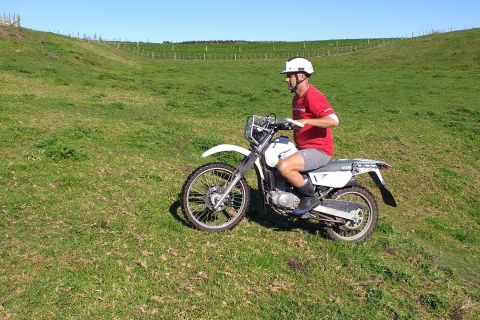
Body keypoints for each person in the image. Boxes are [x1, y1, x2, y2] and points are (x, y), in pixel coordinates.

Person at [277, 57, 339, 215]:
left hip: (319, 150)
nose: (286, 79)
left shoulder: (312, 96)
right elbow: (300, 123)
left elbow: (333, 120)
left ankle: (310, 196)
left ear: (301, 76)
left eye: (290, 75)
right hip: (303, 147)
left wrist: (306, 121)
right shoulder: (296, 99)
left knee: (284, 167)